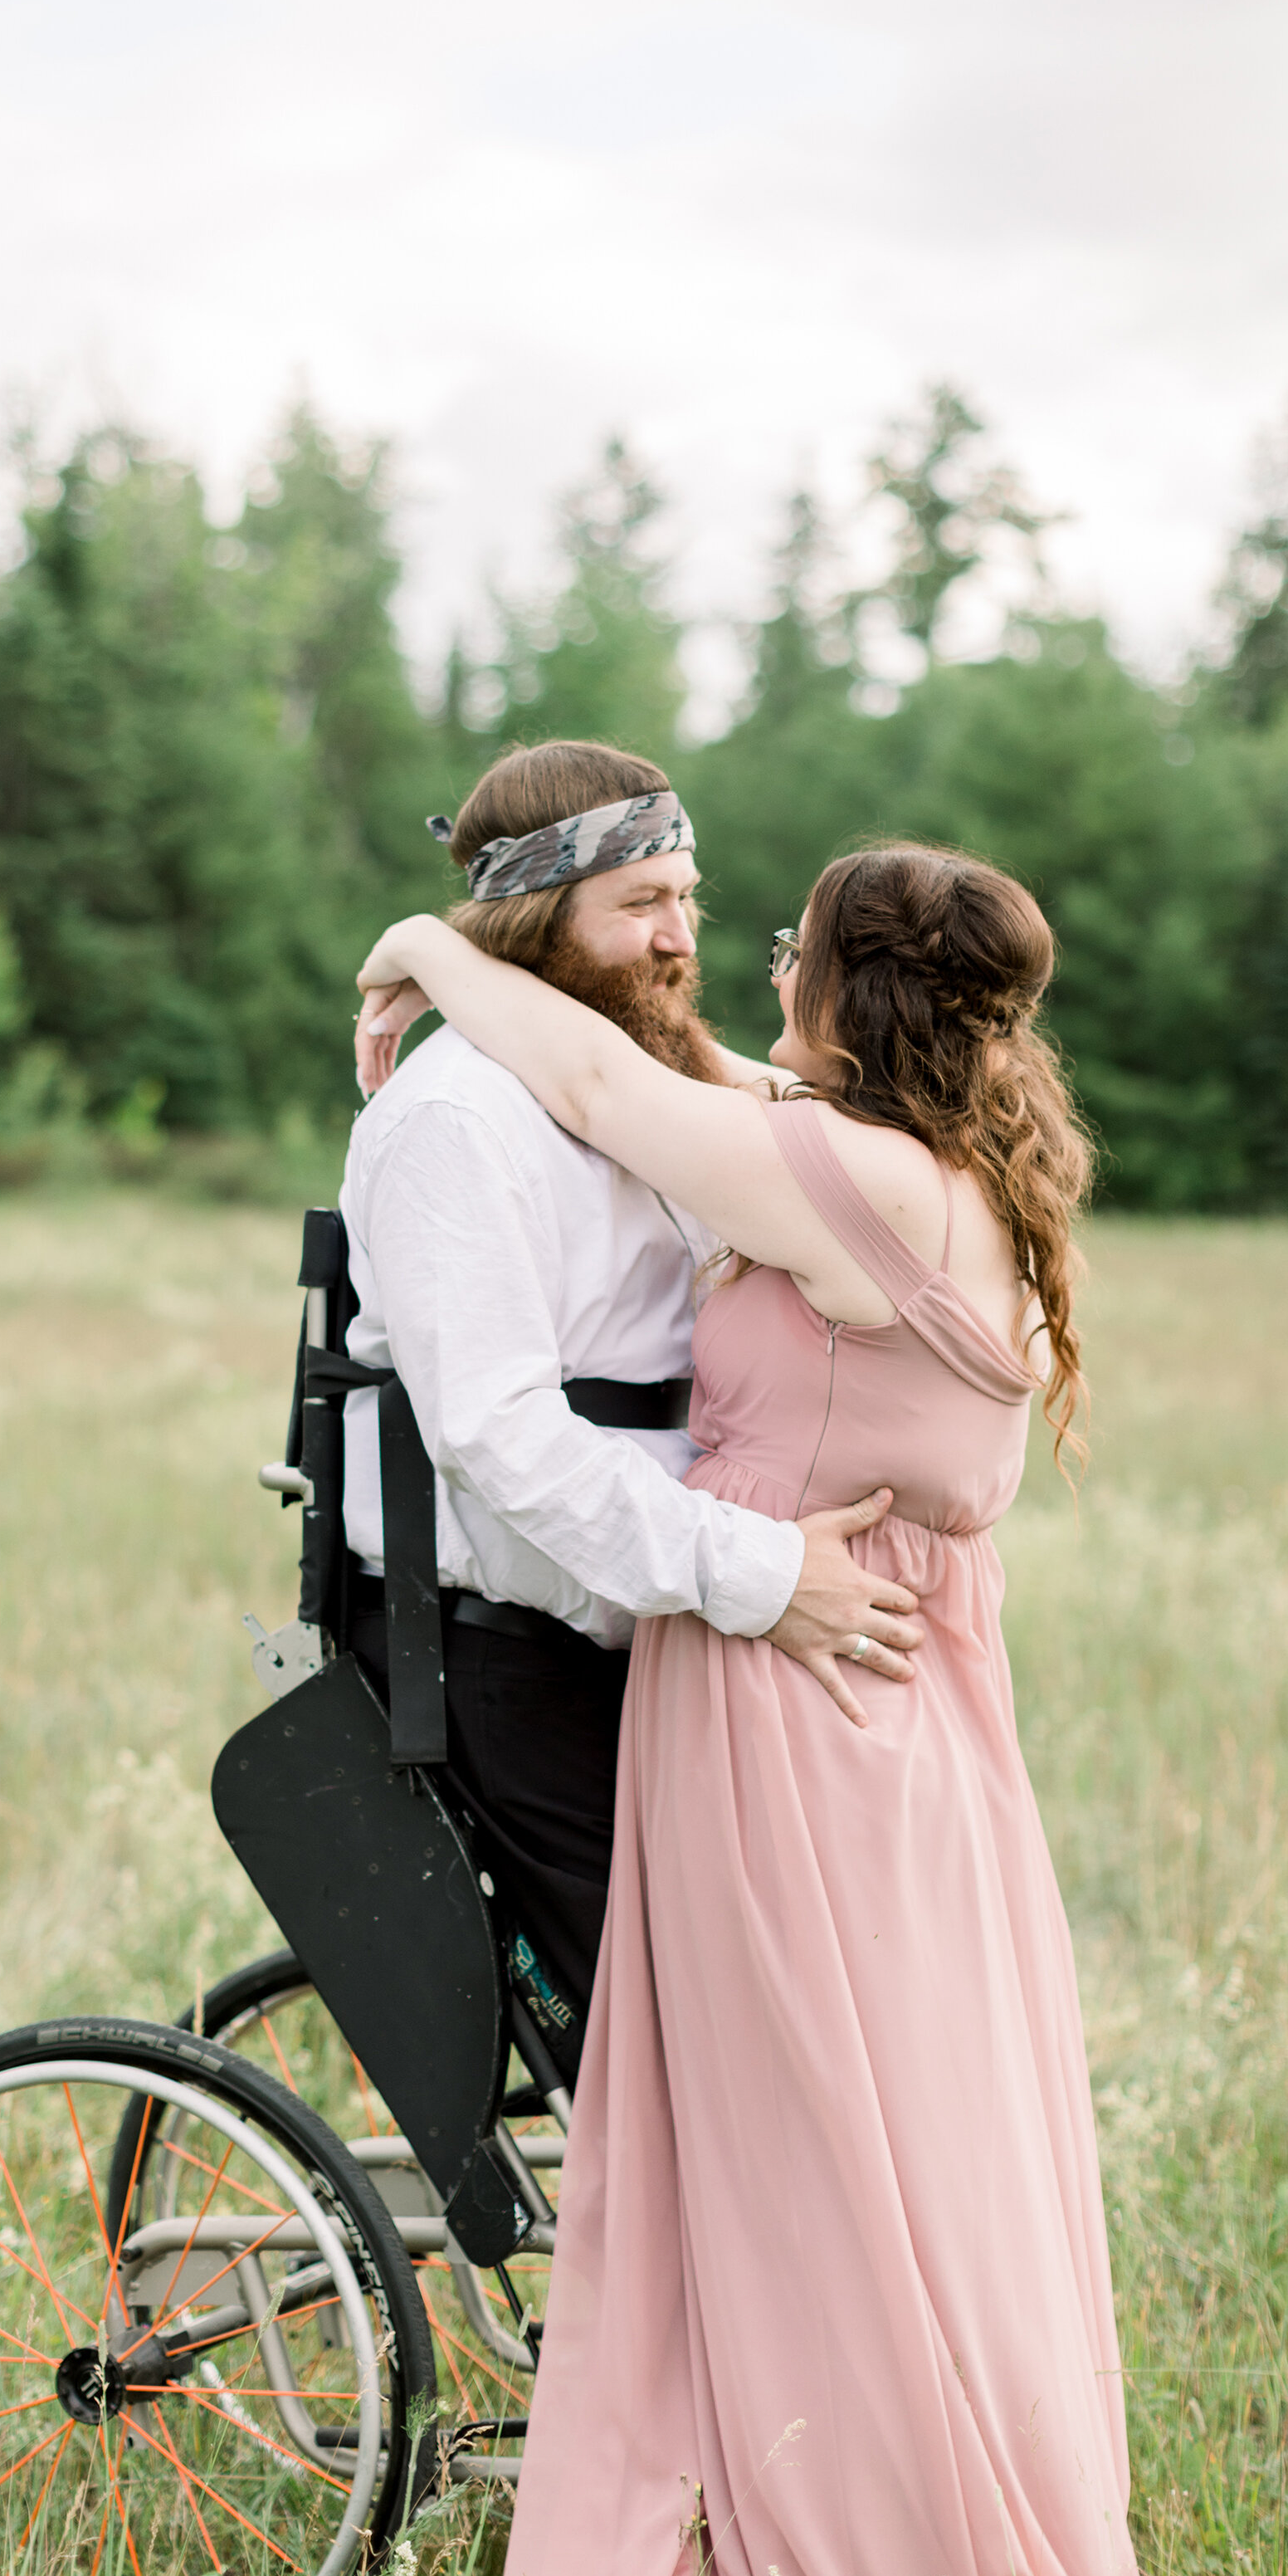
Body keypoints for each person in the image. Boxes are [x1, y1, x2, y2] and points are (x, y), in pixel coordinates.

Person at [354, 841, 1198, 2576]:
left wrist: (418, 941)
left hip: (790, 1704)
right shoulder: (939, 1161)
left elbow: (600, 1088)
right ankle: (914, 2535)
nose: (750, 977)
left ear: (841, 983)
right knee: (911, 2156)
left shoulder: (841, 1179)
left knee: (807, 2170)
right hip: (919, 1723)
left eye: (779, 947)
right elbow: (707, 1080)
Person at [339, 741, 921, 2078]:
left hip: (661, 1626)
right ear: (539, 923)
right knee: (682, 2071)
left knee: (795, 2020)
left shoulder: (643, 1085)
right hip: (505, 1655)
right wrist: (763, 1573)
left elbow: (796, 1119)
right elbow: (497, 1434)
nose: (678, 938)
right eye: (640, 903)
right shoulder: (456, 1121)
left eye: (689, 898)